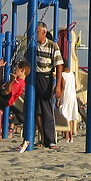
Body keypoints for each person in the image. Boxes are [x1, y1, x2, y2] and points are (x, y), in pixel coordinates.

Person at [34, 21, 64, 149]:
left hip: (46, 77)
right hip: (34, 76)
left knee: (46, 109)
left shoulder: (52, 46)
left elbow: (59, 65)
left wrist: (57, 86)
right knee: (36, 111)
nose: (35, 34)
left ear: (44, 32)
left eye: (37, 32)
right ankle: (41, 138)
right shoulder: (32, 46)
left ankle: (50, 139)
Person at [57, 64, 80, 142]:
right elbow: (76, 86)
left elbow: (63, 87)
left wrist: (58, 98)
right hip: (72, 97)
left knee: (65, 116)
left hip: (65, 97)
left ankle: (67, 136)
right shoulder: (72, 74)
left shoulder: (62, 75)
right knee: (70, 118)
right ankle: (71, 136)